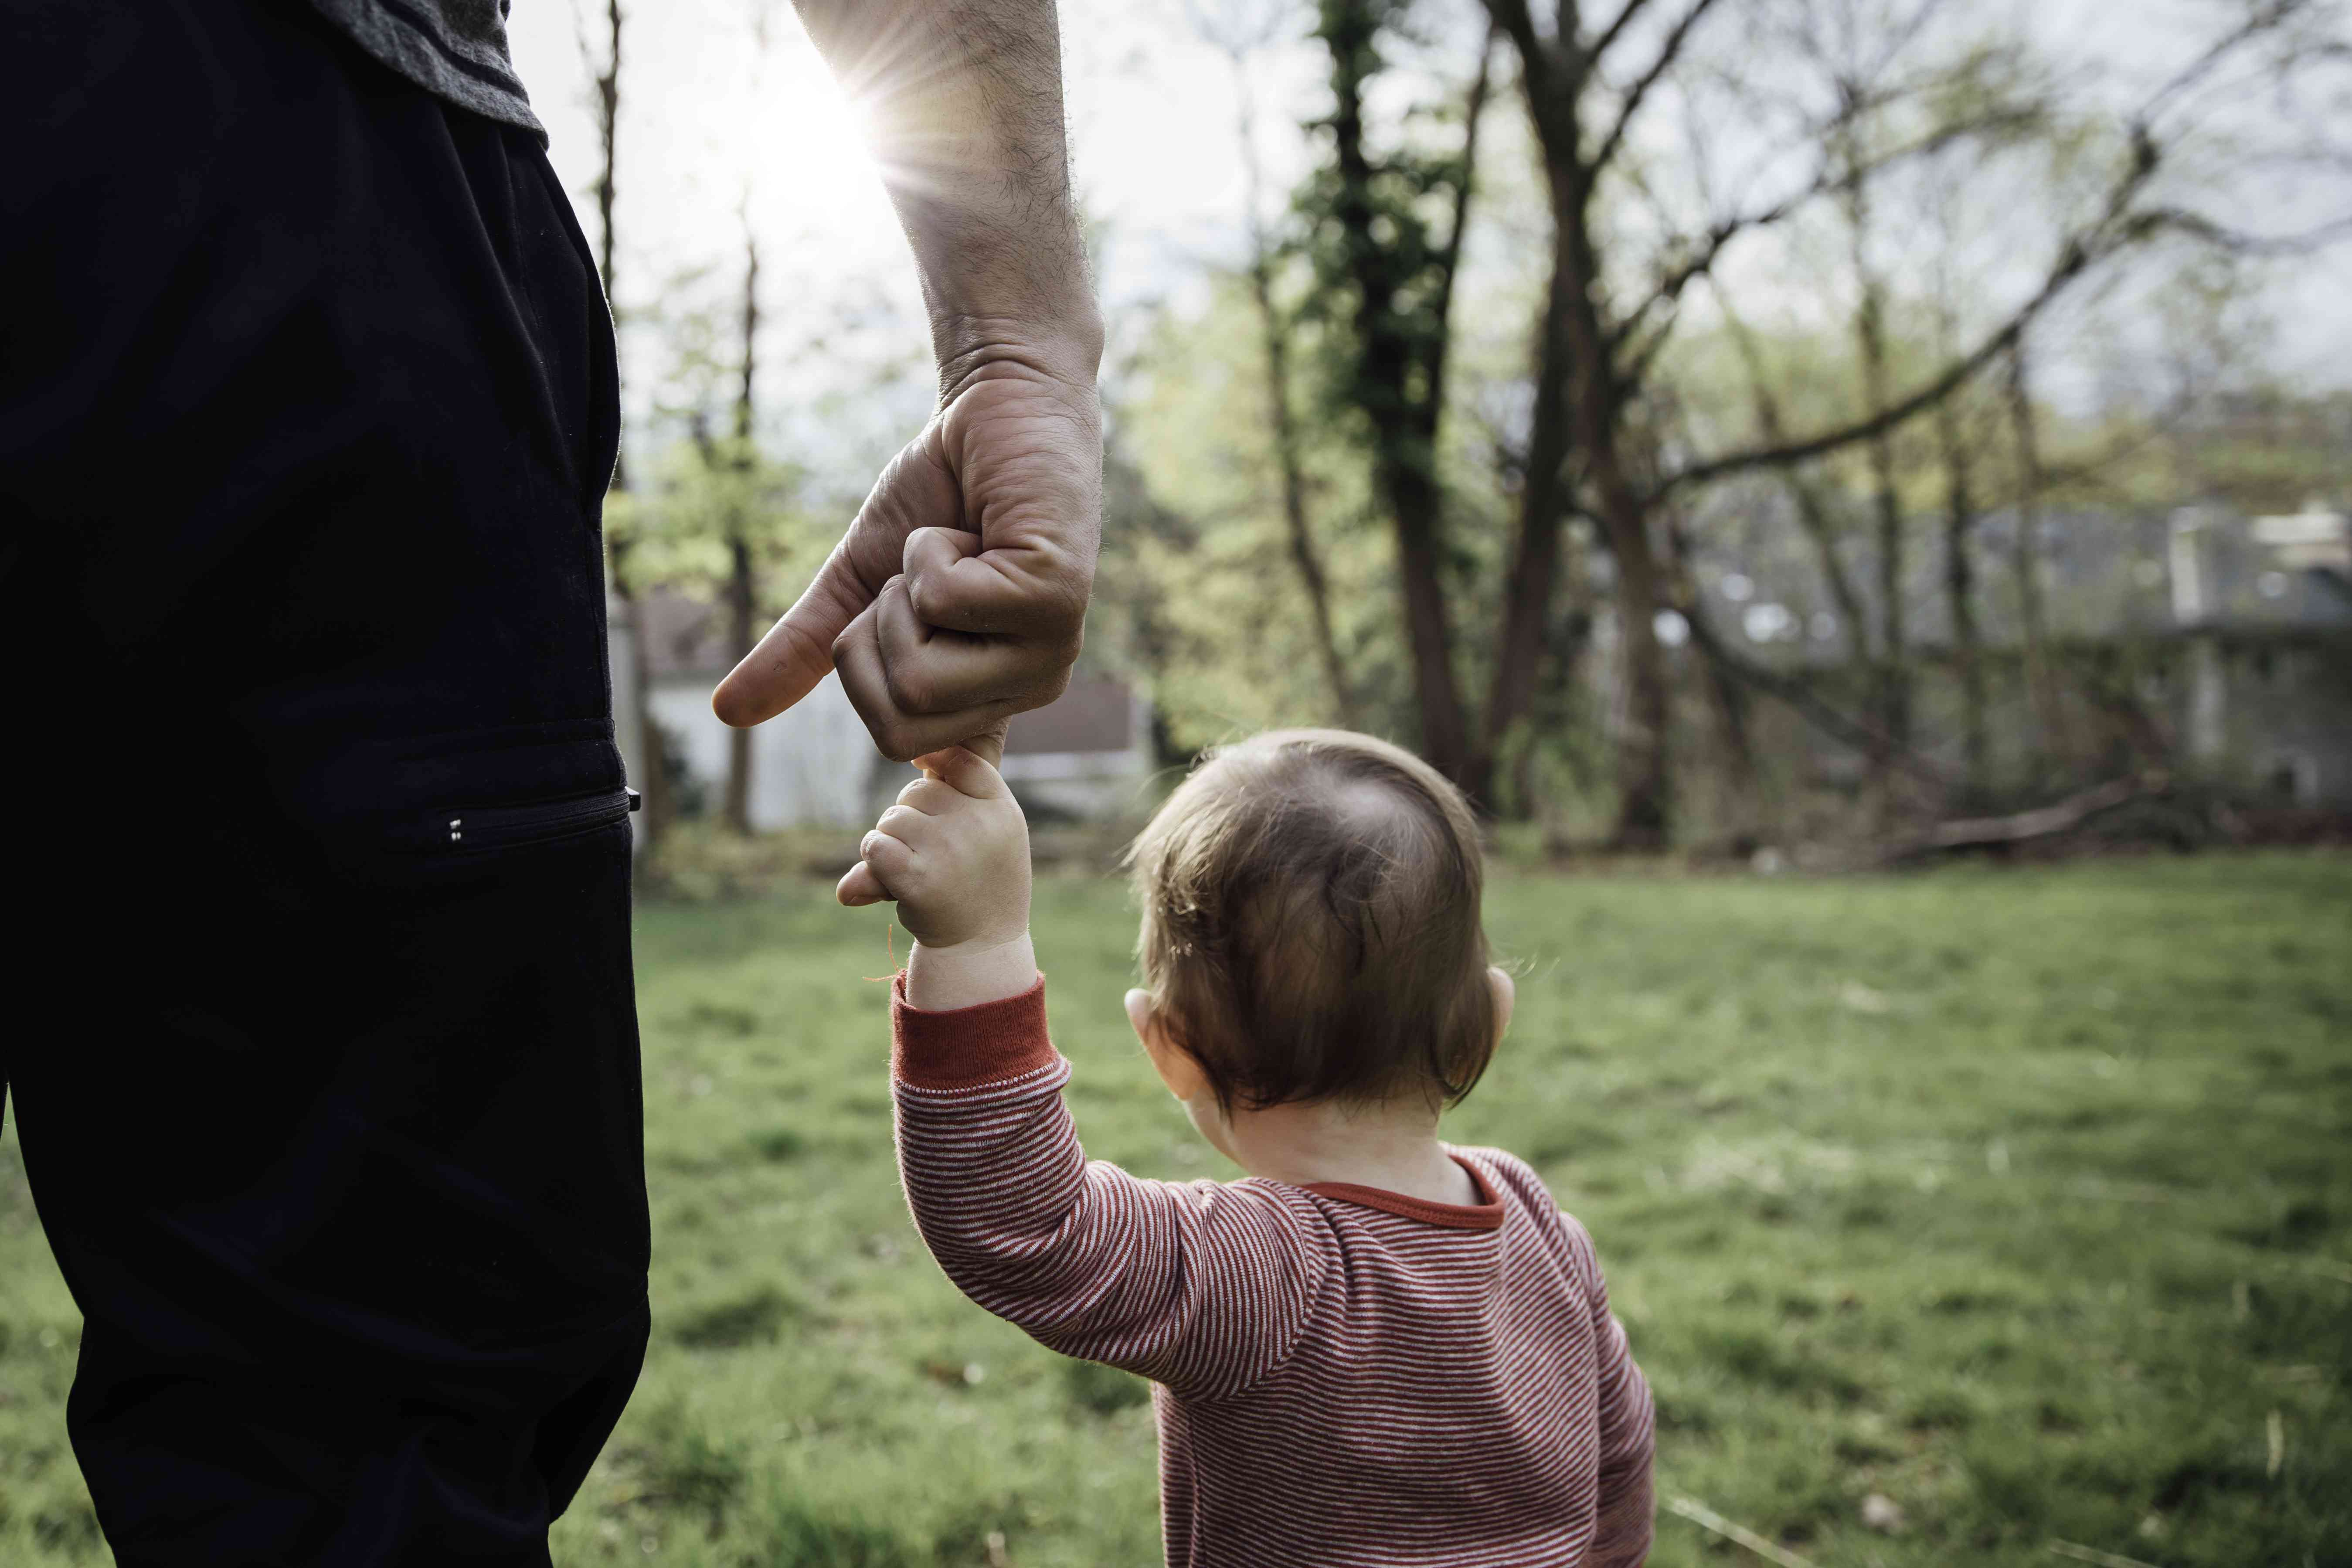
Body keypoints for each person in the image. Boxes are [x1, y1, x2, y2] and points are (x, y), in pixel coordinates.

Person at [0, 0, 1098, 1561]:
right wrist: (1012, 342)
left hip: (298, 158)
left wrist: (1008, 348)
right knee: (362, 1438)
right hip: (306, 202)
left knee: (367, 1419)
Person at [843, 730, 1656, 1567]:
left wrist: (974, 944)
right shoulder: (1539, 1225)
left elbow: (1027, 1230)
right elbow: (1621, 1460)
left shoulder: (1270, 1274)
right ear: (1489, 1020)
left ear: (1170, 1049)